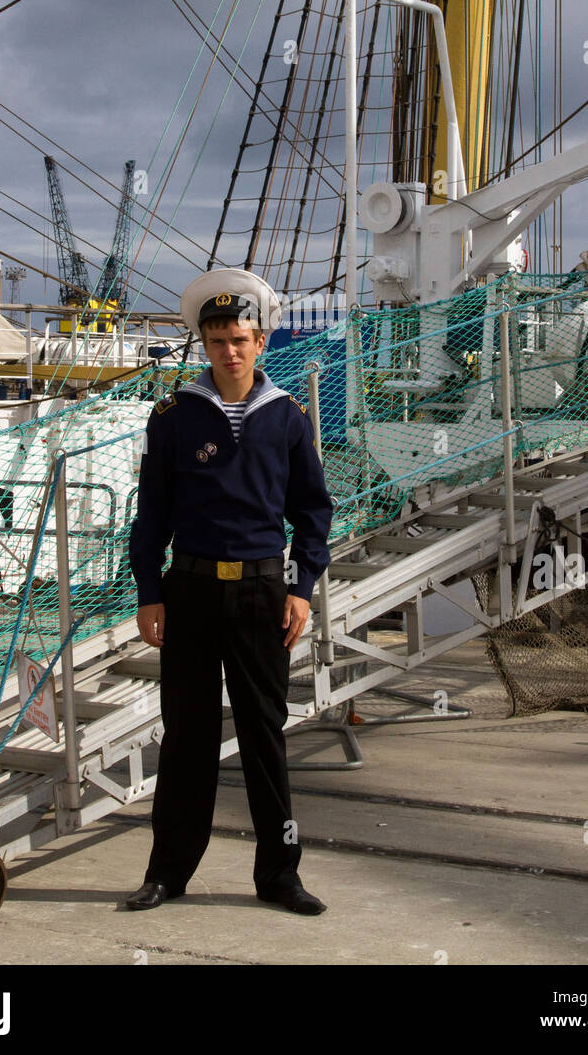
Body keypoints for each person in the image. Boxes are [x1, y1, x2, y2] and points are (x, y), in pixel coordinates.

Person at [126, 275, 333, 915]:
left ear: (261, 341)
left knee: (264, 736)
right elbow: (151, 513)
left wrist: (301, 589)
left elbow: (314, 512)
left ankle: (280, 876)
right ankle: (167, 873)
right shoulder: (175, 416)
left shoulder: (288, 419)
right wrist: (149, 592)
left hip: (261, 593)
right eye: (217, 341)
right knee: (185, 736)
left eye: (239, 340)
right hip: (188, 590)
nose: (229, 352)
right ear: (204, 343)